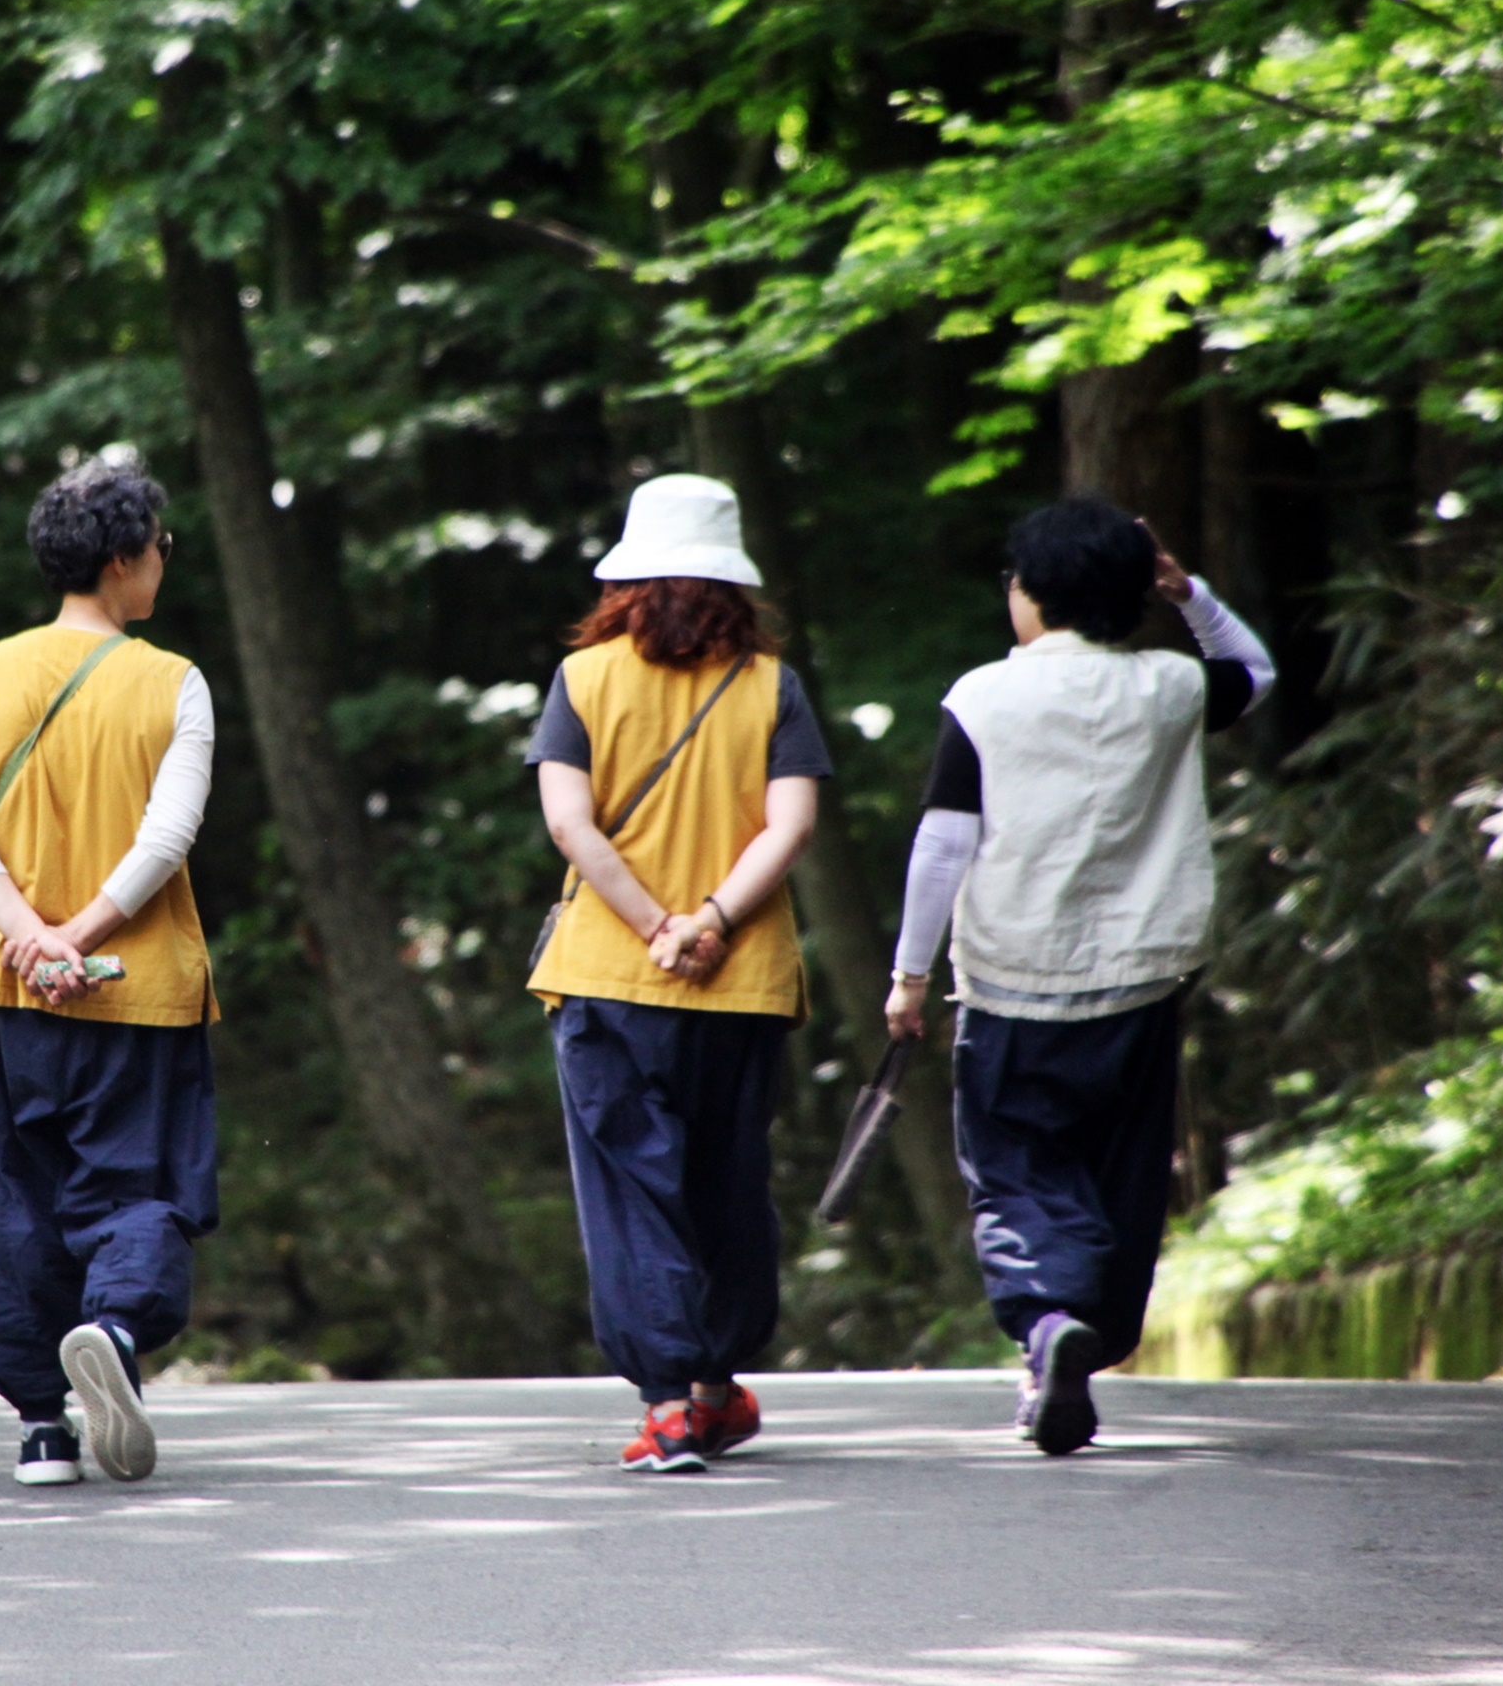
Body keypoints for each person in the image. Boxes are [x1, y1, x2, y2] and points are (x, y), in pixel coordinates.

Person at [884, 497, 1275, 1456]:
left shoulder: (983, 697)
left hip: (1014, 983)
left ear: (1032, 596)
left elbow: (944, 843)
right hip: (1143, 982)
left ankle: (1046, 1320)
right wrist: (1195, 598)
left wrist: (906, 977)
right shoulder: (1172, 686)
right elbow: (1255, 675)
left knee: (1016, 1170)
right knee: (1122, 1171)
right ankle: (1078, 1343)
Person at [526, 473, 830, 1474]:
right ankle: (713, 1385)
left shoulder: (583, 679)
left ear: (631, 577)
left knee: (631, 1186)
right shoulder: (769, 683)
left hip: (610, 976)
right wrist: (708, 922)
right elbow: (790, 825)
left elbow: (569, 821)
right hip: (737, 982)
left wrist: (654, 922)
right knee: (726, 1179)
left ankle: (666, 1404)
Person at [0, 458, 218, 1487]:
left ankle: (42, 1427)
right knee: (139, 1183)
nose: (162, 567)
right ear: (121, 560)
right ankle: (117, 1330)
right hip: (135, 985)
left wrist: (27, 932)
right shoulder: (173, 682)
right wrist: (84, 930)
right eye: (159, 549)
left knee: (11, 1196)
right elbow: (167, 832)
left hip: (2, 988)